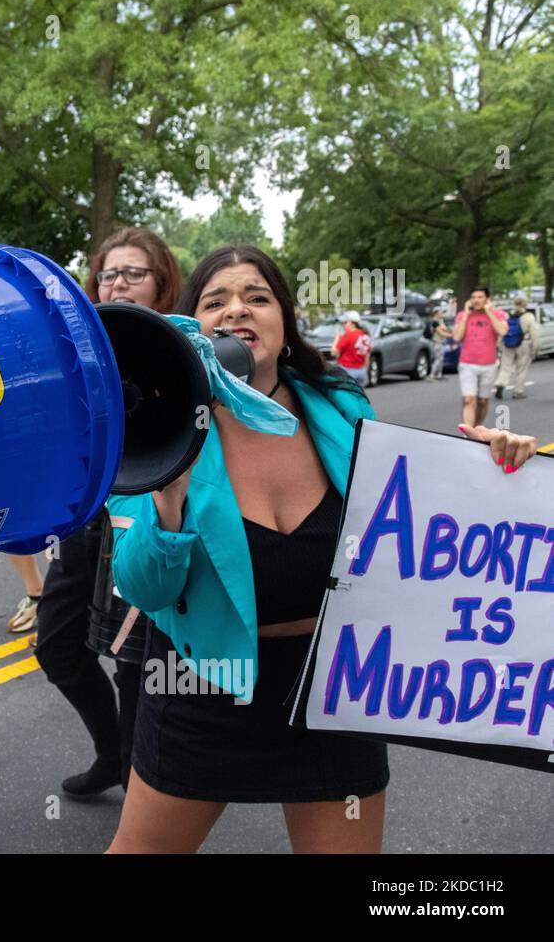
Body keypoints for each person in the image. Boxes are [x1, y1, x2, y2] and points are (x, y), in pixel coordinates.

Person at [105, 247, 538, 853]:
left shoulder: (338, 402)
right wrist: (168, 496)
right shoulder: (158, 424)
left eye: (257, 297)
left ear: (284, 321)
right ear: (191, 328)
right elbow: (146, 588)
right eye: (215, 301)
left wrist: (490, 474)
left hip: (338, 687)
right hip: (203, 687)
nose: (237, 311)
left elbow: (413, 517)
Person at [33, 226, 183, 797]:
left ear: (161, 284)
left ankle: (137, 786)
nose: (117, 284)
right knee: (57, 646)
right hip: (85, 517)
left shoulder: (179, 345)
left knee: (132, 662)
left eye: (133, 274)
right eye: (108, 274)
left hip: (142, 519)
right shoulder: (78, 347)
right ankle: (112, 752)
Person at [453, 285, 508, 426]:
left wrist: (489, 312)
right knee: (469, 399)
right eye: (473, 297)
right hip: (467, 363)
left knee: (482, 401)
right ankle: (468, 432)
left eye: (480, 297)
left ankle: (476, 427)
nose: (476, 300)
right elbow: (457, 336)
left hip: (489, 364)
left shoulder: (498, 314)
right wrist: (465, 314)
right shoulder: (462, 315)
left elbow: (502, 331)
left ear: (487, 299)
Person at [496, 295, 538, 400]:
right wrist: (535, 348)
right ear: (525, 304)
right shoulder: (529, 317)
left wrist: (499, 344)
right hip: (524, 343)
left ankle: (501, 383)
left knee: (505, 366)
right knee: (521, 368)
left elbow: (502, 330)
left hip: (508, 343)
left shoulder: (507, 316)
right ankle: (518, 391)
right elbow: (534, 334)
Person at [331, 310, 372, 386]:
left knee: (345, 396)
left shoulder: (348, 335)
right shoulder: (365, 335)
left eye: (345, 322)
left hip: (348, 371)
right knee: (358, 395)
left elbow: (334, 352)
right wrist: (366, 373)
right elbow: (367, 356)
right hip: (362, 371)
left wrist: (336, 338)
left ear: (352, 323)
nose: (343, 325)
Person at [424, 306, 449, 380]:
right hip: (437, 342)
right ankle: (432, 374)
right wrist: (452, 335)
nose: (442, 313)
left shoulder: (440, 320)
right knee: (438, 359)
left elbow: (445, 330)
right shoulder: (435, 322)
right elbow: (441, 333)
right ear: (436, 313)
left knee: (440, 359)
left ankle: (439, 374)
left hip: (441, 342)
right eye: (441, 312)